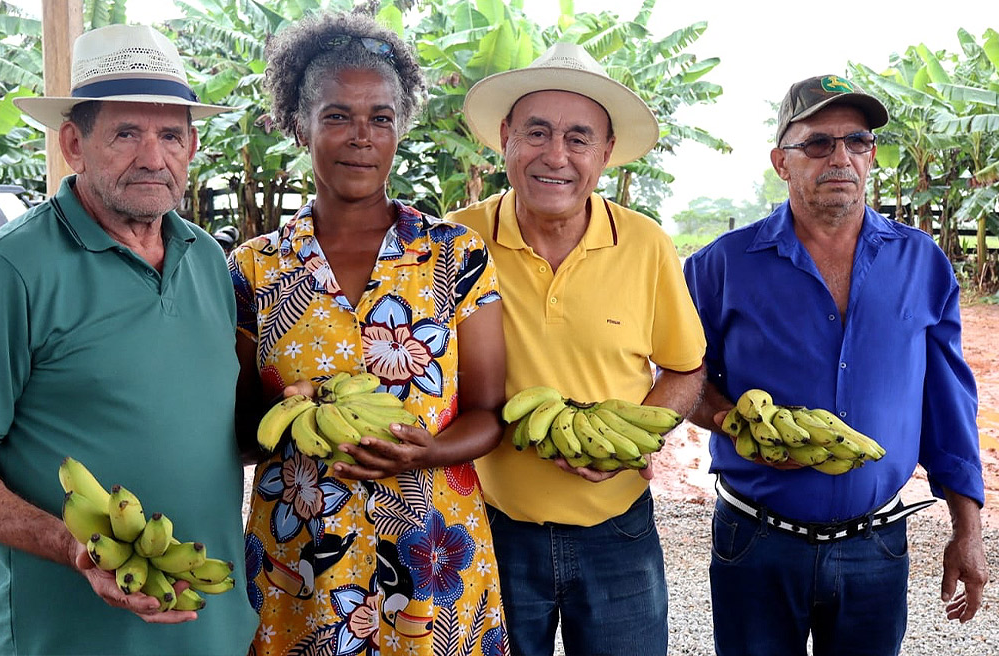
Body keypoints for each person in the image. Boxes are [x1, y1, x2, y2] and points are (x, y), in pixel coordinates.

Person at [0, 25, 258, 655]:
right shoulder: (8, 274)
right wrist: (73, 548)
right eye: (127, 133)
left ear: (192, 145)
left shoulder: (208, 259)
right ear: (74, 143)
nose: (154, 158)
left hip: (211, 627)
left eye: (171, 135)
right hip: (70, 637)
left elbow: (201, 426)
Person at [228, 11, 510, 655]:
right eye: (336, 115)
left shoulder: (454, 255)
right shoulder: (253, 268)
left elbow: (491, 413)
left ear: (400, 129)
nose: (361, 136)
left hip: (432, 561)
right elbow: (241, 431)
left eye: (380, 117)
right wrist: (288, 412)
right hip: (300, 565)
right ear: (299, 126)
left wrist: (427, 453)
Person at [683, 74, 989, 656]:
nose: (840, 157)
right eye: (818, 143)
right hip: (755, 540)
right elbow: (686, 379)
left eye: (858, 141)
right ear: (781, 161)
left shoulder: (919, 260)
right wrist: (734, 422)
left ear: (871, 157)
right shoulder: (721, 265)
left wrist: (967, 529)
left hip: (876, 545)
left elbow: (948, 401)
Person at [447, 42, 707, 656]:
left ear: (606, 153)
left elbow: (685, 368)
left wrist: (635, 443)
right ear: (506, 136)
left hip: (618, 529)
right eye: (537, 132)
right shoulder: (455, 240)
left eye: (579, 137)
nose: (556, 156)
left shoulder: (645, 244)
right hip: (489, 525)